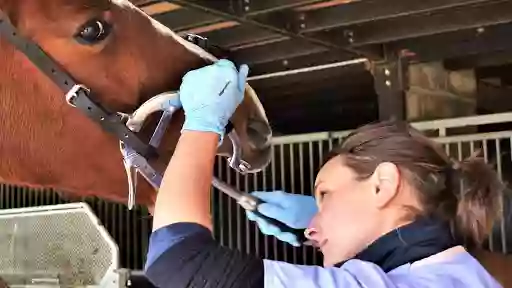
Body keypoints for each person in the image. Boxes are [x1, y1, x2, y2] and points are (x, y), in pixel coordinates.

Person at [143, 59, 504, 287]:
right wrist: (322, 222)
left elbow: (179, 263)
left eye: (325, 193)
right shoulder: (460, 273)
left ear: (383, 185)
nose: (311, 227)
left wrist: (204, 123)